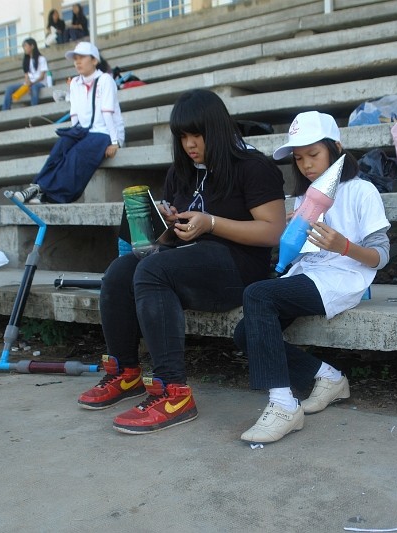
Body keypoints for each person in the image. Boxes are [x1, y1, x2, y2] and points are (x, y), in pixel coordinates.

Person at [79, 89, 285, 435]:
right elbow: (170, 241)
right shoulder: (182, 171)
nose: (190, 144)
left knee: (152, 269)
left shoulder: (253, 166)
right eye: (183, 136)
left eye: (197, 135)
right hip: (189, 263)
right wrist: (163, 222)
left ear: (217, 129)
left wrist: (211, 223)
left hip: (239, 270)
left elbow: (273, 231)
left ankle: (173, 391)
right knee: (120, 271)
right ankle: (126, 372)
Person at [233, 111, 390, 443]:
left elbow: (380, 255)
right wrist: (294, 232)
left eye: (313, 154)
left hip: (343, 278)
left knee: (257, 295)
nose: (306, 164)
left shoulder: (361, 191)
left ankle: (283, 405)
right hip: (309, 274)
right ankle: (327, 376)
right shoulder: (305, 196)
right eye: (298, 158)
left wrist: (344, 246)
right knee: (245, 333)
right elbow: (301, 256)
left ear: (336, 148)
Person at [14, 42, 124, 204]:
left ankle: (43, 191)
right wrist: (73, 135)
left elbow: (109, 113)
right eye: (75, 59)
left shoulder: (105, 80)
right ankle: (37, 188)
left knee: (76, 154)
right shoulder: (75, 83)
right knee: (61, 146)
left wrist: (115, 142)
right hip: (83, 131)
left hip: (104, 133)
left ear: (94, 60)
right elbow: (75, 114)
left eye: (82, 58)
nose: (77, 62)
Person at [1, 38, 48, 111]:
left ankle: (33, 109)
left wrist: (31, 84)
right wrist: (27, 85)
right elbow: (26, 76)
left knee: (34, 87)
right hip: (29, 83)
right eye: (23, 46)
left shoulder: (41, 58)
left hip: (39, 83)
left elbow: (42, 76)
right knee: (9, 88)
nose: (24, 48)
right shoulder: (26, 60)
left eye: (25, 46)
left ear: (32, 46)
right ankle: (5, 110)